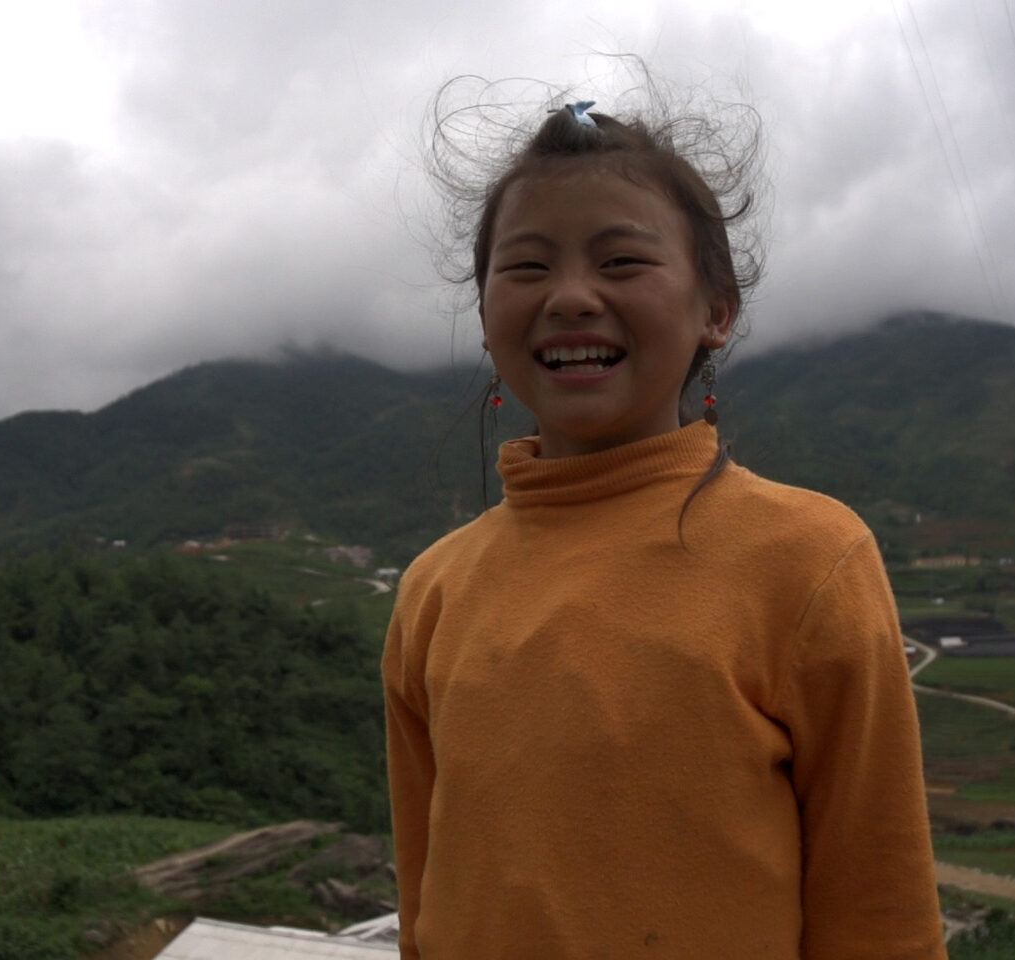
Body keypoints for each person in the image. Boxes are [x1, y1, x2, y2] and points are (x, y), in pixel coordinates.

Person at [383, 92, 946, 959]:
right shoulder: (434, 590)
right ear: (487, 317)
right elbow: (425, 901)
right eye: (526, 267)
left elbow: (881, 916)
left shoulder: (809, 560)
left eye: (621, 262)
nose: (571, 297)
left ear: (715, 311)